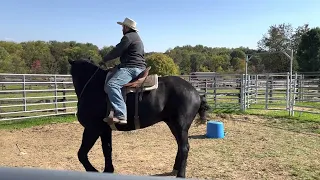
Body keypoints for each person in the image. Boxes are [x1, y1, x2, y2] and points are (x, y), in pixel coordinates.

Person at [98, 17, 147, 124]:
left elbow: (117, 51)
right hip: (137, 66)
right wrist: (117, 67)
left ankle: (121, 115)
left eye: (122, 27)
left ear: (126, 27)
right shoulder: (136, 37)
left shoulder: (128, 37)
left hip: (132, 68)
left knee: (112, 85)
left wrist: (104, 60)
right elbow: (132, 56)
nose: (121, 29)